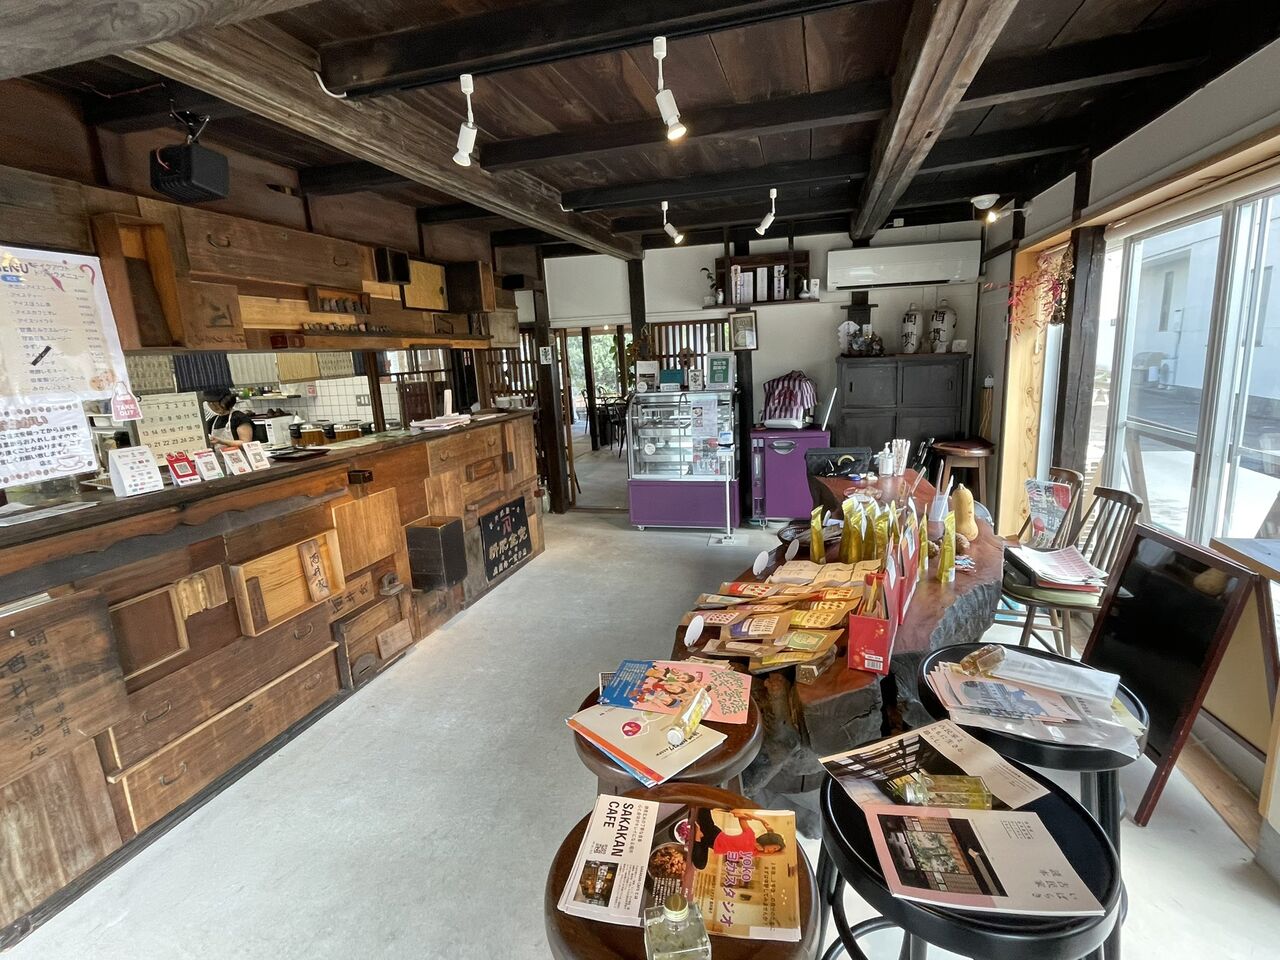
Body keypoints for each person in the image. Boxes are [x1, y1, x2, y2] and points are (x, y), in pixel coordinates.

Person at [690, 807, 786, 869]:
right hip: (713, 834)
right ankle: (699, 836)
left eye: (775, 850)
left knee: (700, 865)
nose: (773, 851)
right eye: (774, 848)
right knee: (703, 808)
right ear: (770, 841)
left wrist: (772, 834)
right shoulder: (750, 834)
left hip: (712, 845)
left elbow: (783, 852)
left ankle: (699, 836)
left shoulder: (755, 853)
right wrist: (762, 821)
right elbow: (739, 814)